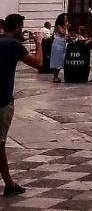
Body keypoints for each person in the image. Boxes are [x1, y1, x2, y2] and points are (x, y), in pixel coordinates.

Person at [0, 14, 43, 197]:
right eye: (22, 27)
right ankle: (9, 185)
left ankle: (9, 183)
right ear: (18, 27)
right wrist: (39, 42)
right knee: (0, 144)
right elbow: (38, 64)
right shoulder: (13, 44)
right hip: (2, 101)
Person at [50, 13, 68, 83]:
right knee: (57, 60)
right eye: (65, 18)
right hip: (58, 43)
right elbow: (62, 33)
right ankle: (55, 77)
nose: (66, 19)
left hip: (62, 43)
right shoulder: (58, 26)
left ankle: (56, 76)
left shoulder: (63, 26)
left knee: (61, 59)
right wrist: (66, 26)